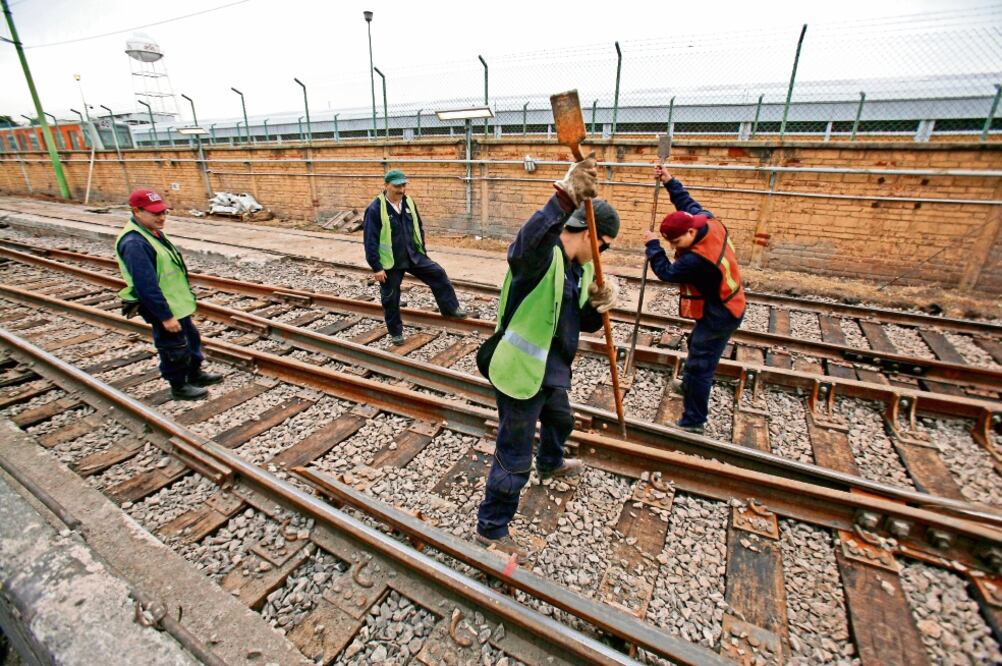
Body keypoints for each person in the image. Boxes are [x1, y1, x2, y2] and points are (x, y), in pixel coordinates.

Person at [475, 156, 619, 556]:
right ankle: (491, 527)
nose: (602, 255)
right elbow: (522, 248)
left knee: (560, 419)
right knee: (513, 452)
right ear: (589, 233)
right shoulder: (543, 256)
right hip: (520, 371)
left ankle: (551, 462)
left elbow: (580, 323)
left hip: (550, 370)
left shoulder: (581, 270)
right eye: (604, 246)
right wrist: (566, 196)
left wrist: (599, 307)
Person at [644, 165, 746, 434]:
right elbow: (686, 203)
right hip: (726, 300)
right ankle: (689, 385)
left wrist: (652, 246)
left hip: (723, 311)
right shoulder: (708, 221)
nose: (674, 247)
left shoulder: (697, 259)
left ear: (690, 234)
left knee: (701, 363)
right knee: (696, 343)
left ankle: (694, 421)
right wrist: (669, 181)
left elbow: (666, 272)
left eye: (676, 242)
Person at [114, 189, 222, 401]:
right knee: (173, 346)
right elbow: (146, 286)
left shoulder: (152, 232)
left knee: (190, 337)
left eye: (163, 212)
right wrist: (165, 316)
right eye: (155, 214)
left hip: (174, 301)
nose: (162, 217)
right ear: (136, 211)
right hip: (160, 306)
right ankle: (179, 386)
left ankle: (194, 374)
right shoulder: (134, 243)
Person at [363, 169, 466, 345]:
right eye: (397, 186)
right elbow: (370, 240)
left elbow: (418, 227)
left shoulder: (409, 202)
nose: (401, 189)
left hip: (413, 255)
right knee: (391, 297)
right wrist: (377, 267)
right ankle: (396, 332)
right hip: (391, 262)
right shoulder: (375, 209)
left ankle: (450, 309)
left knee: (438, 273)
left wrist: (422, 251)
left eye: (403, 185)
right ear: (386, 185)